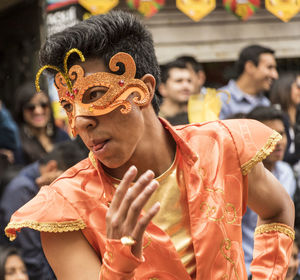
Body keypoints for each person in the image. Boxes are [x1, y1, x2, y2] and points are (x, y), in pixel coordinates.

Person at [5, 11, 295, 280]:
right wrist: (118, 258)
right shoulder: (65, 208)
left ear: (144, 89)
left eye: (95, 94)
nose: (81, 121)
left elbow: (278, 208)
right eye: (69, 105)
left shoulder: (220, 146)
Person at [0, 141, 87, 279]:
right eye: (68, 181)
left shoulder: (33, 185)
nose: (70, 189)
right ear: (52, 168)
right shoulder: (22, 191)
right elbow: (32, 258)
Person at [242, 105, 297, 278]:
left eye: (283, 133)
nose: (279, 140)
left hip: (281, 264)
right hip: (246, 267)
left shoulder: (287, 172)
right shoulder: (239, 176)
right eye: (270, 134)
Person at [13, 81, 70, 165]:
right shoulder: (16, 142)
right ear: (21, 111)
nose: (38, 111)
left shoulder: (62, 135)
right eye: (31, 107)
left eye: (43, 105)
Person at [218, 44, 278, 119]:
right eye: (269, 67)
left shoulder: (265, 103)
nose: (275, 75)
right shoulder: (220, 100)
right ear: (250, 67)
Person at [269, 72, 300, 167]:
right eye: (298, 87)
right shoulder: (276, 118)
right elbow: (280, 157)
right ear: (285, 88)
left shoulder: (296, 118)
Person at [159, 59, 195, 125]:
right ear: (163, 89)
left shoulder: (197, 118)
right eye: (179, 81)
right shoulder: (156, 120)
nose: (186, 86)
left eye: (189, 81)